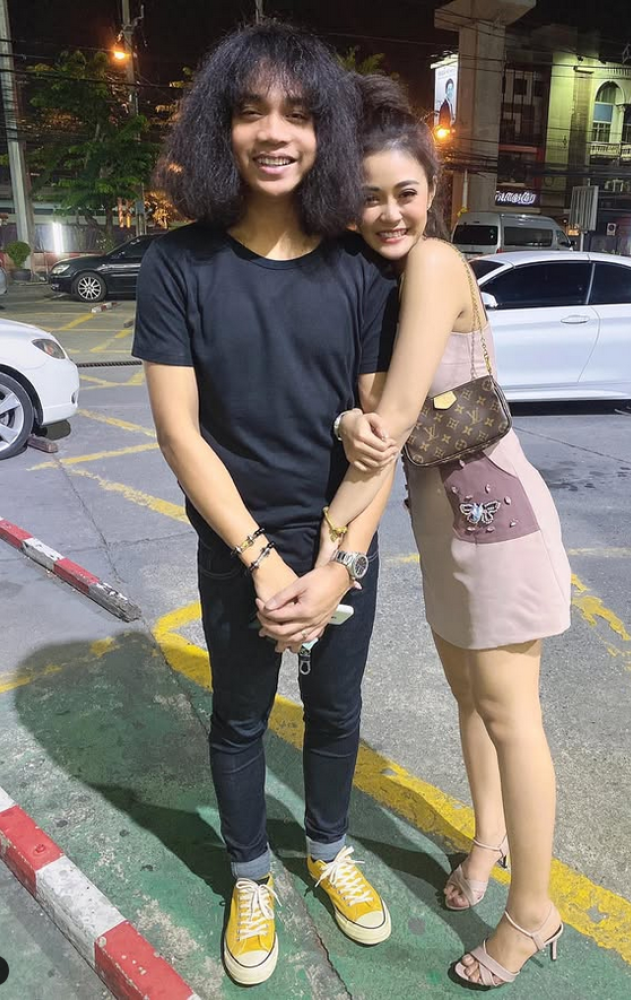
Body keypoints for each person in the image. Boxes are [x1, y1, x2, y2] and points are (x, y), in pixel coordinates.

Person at [268, 77, 571, 989]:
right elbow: (370, 420)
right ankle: (488, 844)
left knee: (512, 716)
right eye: (369, 196)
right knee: (472, 704)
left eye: (405, 192)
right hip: (440, 525)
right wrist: (346, 422)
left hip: (497, 521)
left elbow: (393, 425)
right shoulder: (381, 281)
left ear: (434, 191)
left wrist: (330, 557)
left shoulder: (435, 264)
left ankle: (533, 911)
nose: (389, 212)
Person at [133, 24, 398, 987]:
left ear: (327, 132)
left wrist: (336, 568)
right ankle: (250, 873)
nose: (275, 133)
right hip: (236, 546)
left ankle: (327, 848)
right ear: (221, 128)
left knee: (335, 711)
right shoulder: (178, 264)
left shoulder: (361, 268)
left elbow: (381, 439)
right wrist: (262, 561)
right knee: (241, 718)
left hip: (341, 546)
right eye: (251, 112)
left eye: (298, 113)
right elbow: (180, 436)